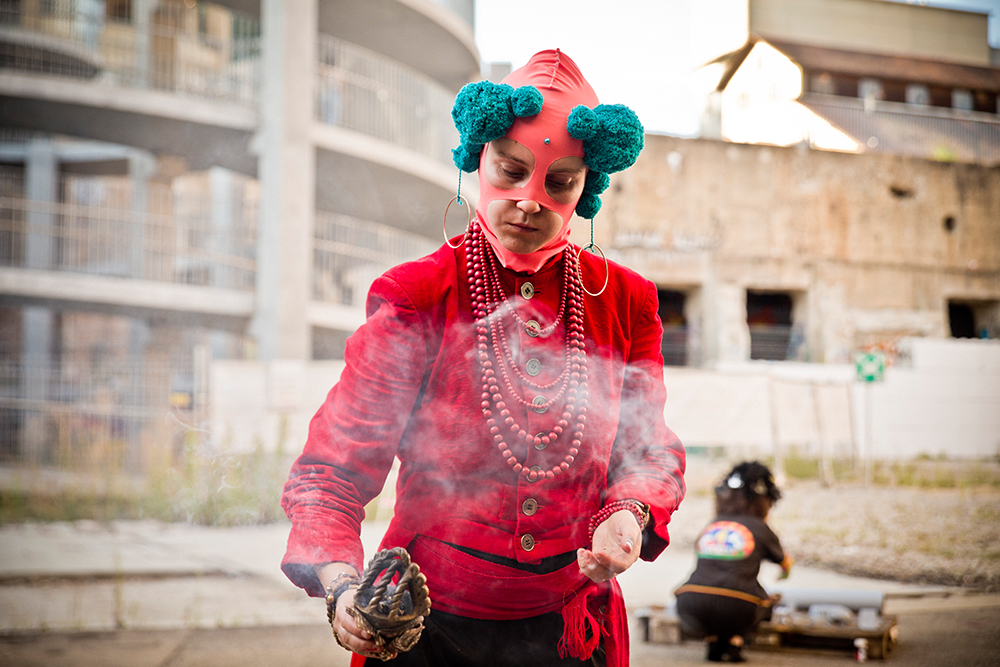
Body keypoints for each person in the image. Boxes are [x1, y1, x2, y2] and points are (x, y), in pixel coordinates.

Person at [280, 49, 686, 667]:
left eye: (559, 183)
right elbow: (334, 467)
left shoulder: (626, 301)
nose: (531, 201)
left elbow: (648, 450)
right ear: (477, 161)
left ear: (586, 188)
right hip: (426, 630)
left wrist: (630, 511)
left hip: (567, 632)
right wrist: (341, 588)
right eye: (510, 170)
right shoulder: (416, 294)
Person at [674, 461, 793, 663]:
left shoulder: (714, 523)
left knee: (719, 598)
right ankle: (735, 642)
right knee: (764, 600)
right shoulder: (760, 528)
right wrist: (784, 574)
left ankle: (712, 640)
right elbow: (784, 562)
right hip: (739, 605)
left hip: (690, 601)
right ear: (763, 502)